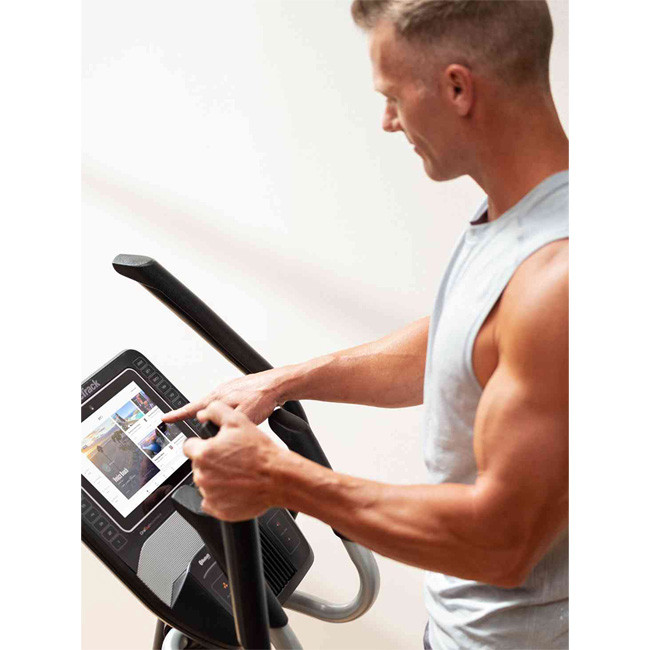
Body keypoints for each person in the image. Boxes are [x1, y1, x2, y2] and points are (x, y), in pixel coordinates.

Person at [163, 1, 568, 648]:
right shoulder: (526, 219)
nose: (388, 121)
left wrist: (280, 478)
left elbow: (502, 544)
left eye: (393, 97)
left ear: (458, 88)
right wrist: (285, 381)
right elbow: (464, 340)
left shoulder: (561, 279)